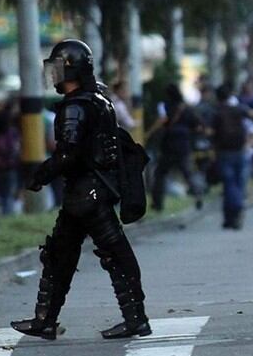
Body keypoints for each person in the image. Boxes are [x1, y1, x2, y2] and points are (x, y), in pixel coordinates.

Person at [11, 39, 150, 340]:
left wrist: (41, 175)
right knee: (60, 254)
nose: (53, 74)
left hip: (88, 194)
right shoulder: (97, 99)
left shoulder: (77, 106)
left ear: (71, 70)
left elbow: (68, 153)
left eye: (58, 67)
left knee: (115, 254)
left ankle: (135, 318)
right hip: (85, 193)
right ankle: (45, 320)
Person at [212, 83, 253, 229]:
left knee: (229, 184)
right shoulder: (239, 109)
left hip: (224, 152)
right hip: (240, 150)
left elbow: (210, 132)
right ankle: (233, 215)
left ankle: (233, 212)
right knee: (239, 182)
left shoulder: (216, 112)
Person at [150, 84, 204, 211]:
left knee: (160, 174)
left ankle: (157, 203)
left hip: (168, 145)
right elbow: (197, 126)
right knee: (187, 172)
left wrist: (150, 133)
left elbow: (162, 121)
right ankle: (197, 194)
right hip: (183, 145)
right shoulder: (186, 108)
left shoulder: (164, 105)